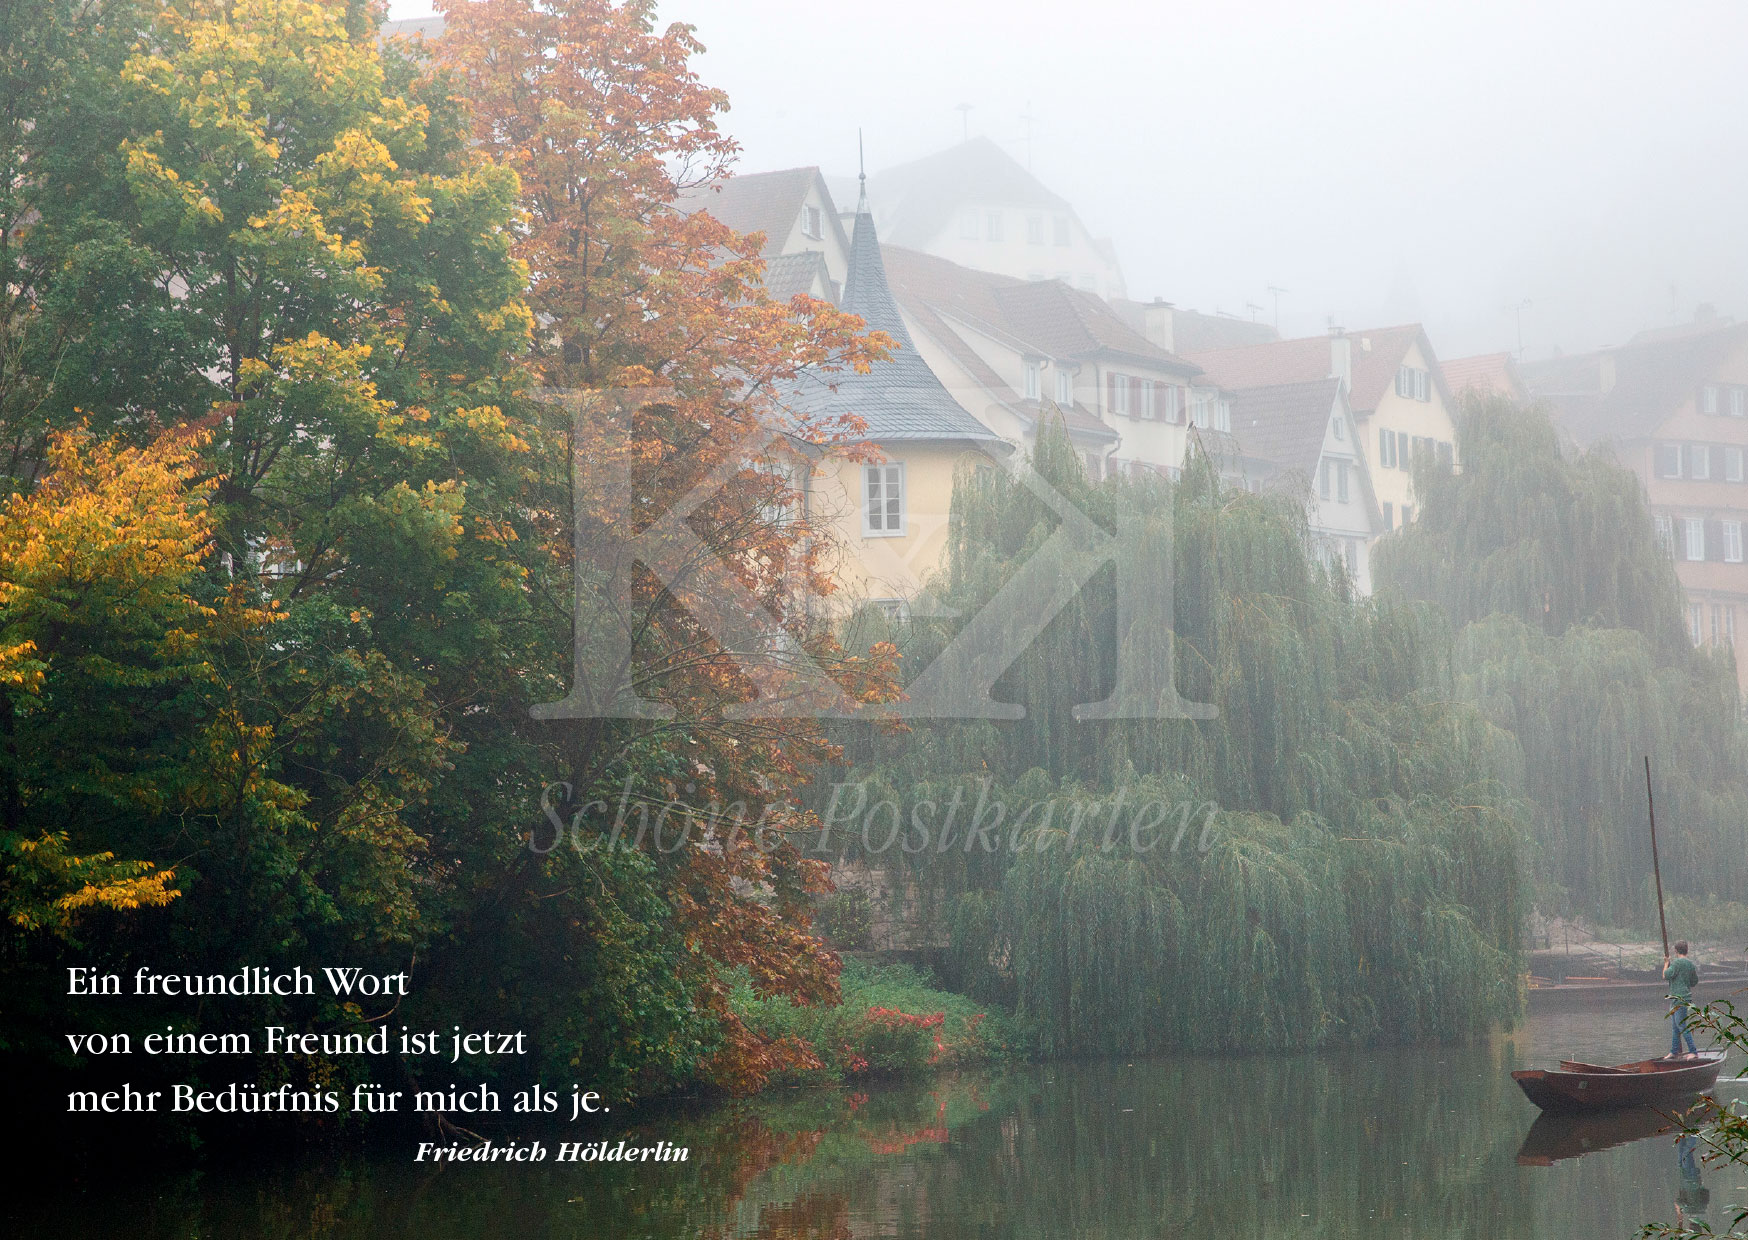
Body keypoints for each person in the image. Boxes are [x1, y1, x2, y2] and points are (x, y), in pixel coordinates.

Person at [1664, 939, 1700, 1057]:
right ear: (1686, 951)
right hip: (1677, 999)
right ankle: (1674, 1051)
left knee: (1681, 1026)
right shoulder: (1690, 964)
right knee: (1675, 1027)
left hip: (1680, 999)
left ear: (1675, 951)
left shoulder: (1676, 963)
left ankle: (1693, 1051)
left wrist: (1666, 963)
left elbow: (1665, 975)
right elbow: (1694, 981)